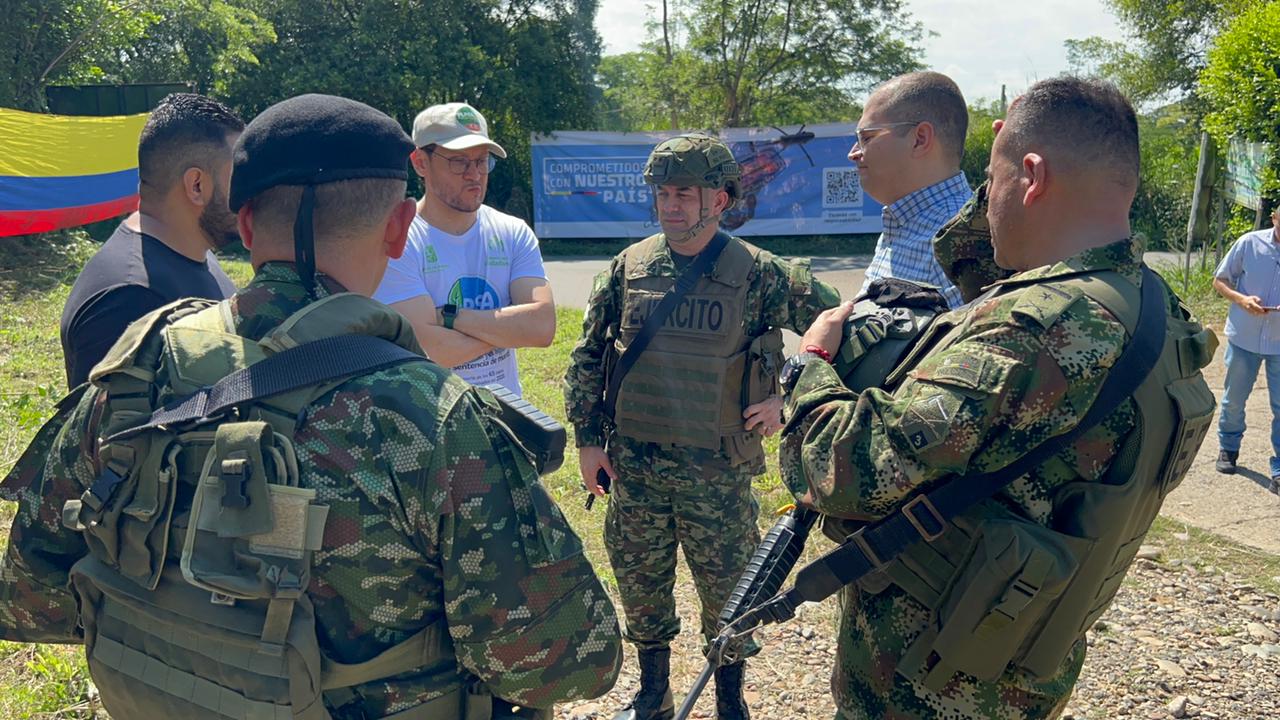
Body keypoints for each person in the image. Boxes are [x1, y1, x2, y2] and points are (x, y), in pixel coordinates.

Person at [0, 93, 620, 719]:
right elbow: (569, 663)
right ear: (400, 227)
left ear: (243, 227)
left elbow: (31, 597)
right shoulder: (428, 416)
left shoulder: (142, 366)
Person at [778, 78, 1215, 719]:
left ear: (1032, 178)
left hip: (927, 683)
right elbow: (987, 268)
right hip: (1028, 658)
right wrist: (1010, 155)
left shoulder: (1032, 330)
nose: (989, 193)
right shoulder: (1152, 306)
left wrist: (810, 365)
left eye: (995, 174)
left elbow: (840, 472)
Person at [564, 133, 839, 720]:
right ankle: (653, 691)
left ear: (721, 198)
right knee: (640, 582)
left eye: (684, 194)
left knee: (730, 592)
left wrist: (786, 400)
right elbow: (588, 356)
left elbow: (838, 324)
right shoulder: (628, 268)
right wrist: (589, 442)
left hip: (716, 467)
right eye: (662, 193)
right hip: (635, 464)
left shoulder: (761, 274)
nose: (670, 206)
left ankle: (729, 699)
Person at [60, 92, 243, 388]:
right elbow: (107, 431)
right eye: (237, 177)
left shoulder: (194, 251)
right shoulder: (128, 299)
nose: (246, 194)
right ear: (196, 185)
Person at [373, 102, 553, 396]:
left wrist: (449, 317)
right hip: (433, 425)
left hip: (505, 424)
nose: (474, 174)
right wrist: (509, 329)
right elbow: (427, 349)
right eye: (459, 162)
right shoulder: (400, 240)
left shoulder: (513, 231)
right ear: (420, 162)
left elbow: (542, 327)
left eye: (481, 161)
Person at [852, 71, 973, 309]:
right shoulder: (908, 220)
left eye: (867, 137)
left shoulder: (960, 238)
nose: (854, 152)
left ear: (919, 139)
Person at [1212, 206, 1280, 487]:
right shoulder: (1249, 242)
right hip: (1244, 337)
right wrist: (1242, 300)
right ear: (1275, 218)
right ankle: (1228, 448)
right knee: (1234, 398)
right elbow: (1220, 280)